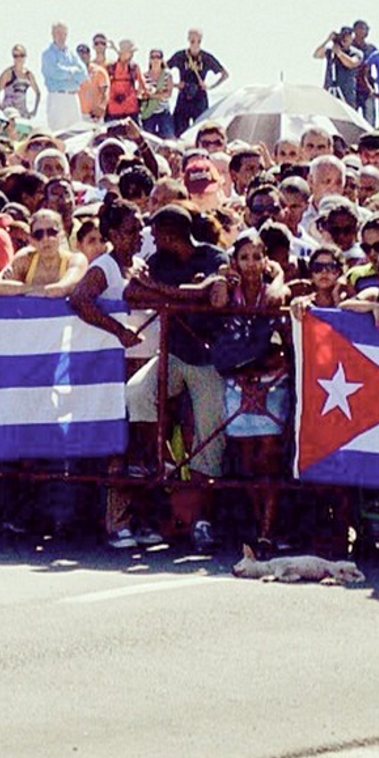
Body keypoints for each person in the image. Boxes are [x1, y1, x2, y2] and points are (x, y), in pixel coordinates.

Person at [123, 204, 227, 547]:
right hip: (171, 353)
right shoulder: (159, 261)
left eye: (155, 234)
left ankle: (203, 517)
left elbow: (209, 294)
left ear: (169, 235)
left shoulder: (212, 254)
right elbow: (132, 292)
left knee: (210, 433)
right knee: (138, 392)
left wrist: (161, 290)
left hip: (208, 359)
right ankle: (161, 459)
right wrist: (181, 293)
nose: (152, 239)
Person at [69, 200, 161, 548]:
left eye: (139, 229)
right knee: (117, 448)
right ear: (111, 234)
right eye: (129, 231)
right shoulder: (104, 267)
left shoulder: (138, 265)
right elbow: (80, 299)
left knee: (143, 447)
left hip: (146, 364)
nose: (138, 237)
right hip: (116, 368)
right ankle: (116, 523)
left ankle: (143, 519)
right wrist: (116, 330)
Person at [210, 229, 290, 544]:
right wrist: (221, 276)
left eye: (257, 256)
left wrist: (280, 275)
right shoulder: (230, 292)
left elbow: (278, 305)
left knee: (269, 458)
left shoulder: (273, 290)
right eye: (244, 257)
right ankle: (256, 523)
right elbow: (215, 306)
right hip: (238, 381)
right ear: (235, 261)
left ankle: (269, 530)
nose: (252, 263)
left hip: (272, 381)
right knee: (246, 459)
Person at [0, 209, 86, 297]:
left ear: (62, 235)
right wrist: (33, 289)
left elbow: (62, 289)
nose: (46, 239)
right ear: (31, 240)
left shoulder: (75, 260)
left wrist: (20, 289)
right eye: (38, 234)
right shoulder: (26, 258)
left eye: (52, 232)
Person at [168, 28, 228, 136]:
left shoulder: (206, 57)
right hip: (184, 96)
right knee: (180, 131)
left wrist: (210, 86)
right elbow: (163, 70)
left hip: (199, 97)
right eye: (192, 41)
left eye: (198, 41)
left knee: (201, 130)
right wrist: (175, 85)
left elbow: (225, 74)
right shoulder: (181, 56)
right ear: (188, 40)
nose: (195, 44)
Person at [41, 21, 87, 131]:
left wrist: (66, 73)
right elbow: (55, 72)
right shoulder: (48, 54)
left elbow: (83, 74)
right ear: (52, 34)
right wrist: (72, 73)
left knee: (76, 133)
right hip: (58, 98)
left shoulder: (72, 54)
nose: (61, 37)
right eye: (58, 33)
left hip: (73, 97)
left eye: (64, 33)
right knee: (59, 132)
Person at [313, 27, 361, 107]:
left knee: (346, 116)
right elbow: (316, 55)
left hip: (346, 92)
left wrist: (339, 53)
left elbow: (351, 63)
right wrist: (328, 40)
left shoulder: (356, 53)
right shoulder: (330, 52)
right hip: (330, 89)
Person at [104, 39, 146, 122]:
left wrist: (138, 93)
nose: (132, 55)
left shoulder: (134, 67)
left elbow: (142, 85)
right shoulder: (110, 67)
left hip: (131, 111)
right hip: (114, 112)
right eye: (131, 52)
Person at [0, 45, 40, 119]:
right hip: (9, 111)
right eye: (16, 56)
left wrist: (34, 110)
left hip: (22, 112)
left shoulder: (28, 75)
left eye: (21, 55)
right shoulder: (8, 73)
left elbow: (38, 93)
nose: (19, 58)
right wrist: (0, 108)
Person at [139, 48, 175, 138]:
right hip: (149, 112)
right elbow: (140, 92)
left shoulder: (167, 75)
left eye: (158, 57)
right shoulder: (144, 76)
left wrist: (152, 94)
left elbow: (168, 94)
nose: (155, 60)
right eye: (153, 57)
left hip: (163, 112)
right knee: (147, 138)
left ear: (162, 60)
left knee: (169, 136)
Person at [75, 43, 109, 123]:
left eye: (84, 54)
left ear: (89, 55)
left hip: (93, 115)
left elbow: (105, 92)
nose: (82, 57)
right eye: (79, 55)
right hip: (77, 114)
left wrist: (101, 107)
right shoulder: (72, 73)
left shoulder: (99, 71)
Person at [351, 20, 377, 125]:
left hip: (367, 87)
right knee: (352, 119)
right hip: (352, 88)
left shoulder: (371, 48)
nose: (363, 31)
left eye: (365, 29)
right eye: (361, 28)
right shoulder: (349, 47)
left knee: (369, 120)